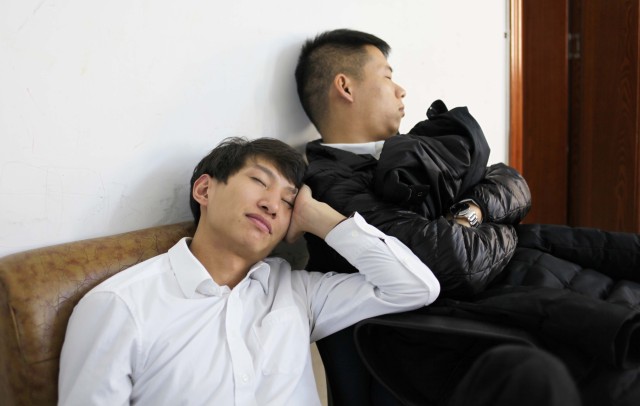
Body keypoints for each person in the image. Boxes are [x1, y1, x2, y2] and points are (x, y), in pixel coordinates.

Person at [295, 28, 640, 406]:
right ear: (345, 87)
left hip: (540, 272)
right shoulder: (332, 186)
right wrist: (500, 224)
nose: (401, 90)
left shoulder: (415, 146)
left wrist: (472, 212)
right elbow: (456, 261)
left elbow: (512, 182)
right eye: (387, 76)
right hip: (479, 325)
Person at [57, 136, 441, 405]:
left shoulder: (297, 293)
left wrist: (319, 217)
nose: (273, 205)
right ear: (204, 190)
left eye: (288, 202)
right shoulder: (120, 306)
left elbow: (414, 287)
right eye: (259, 181)